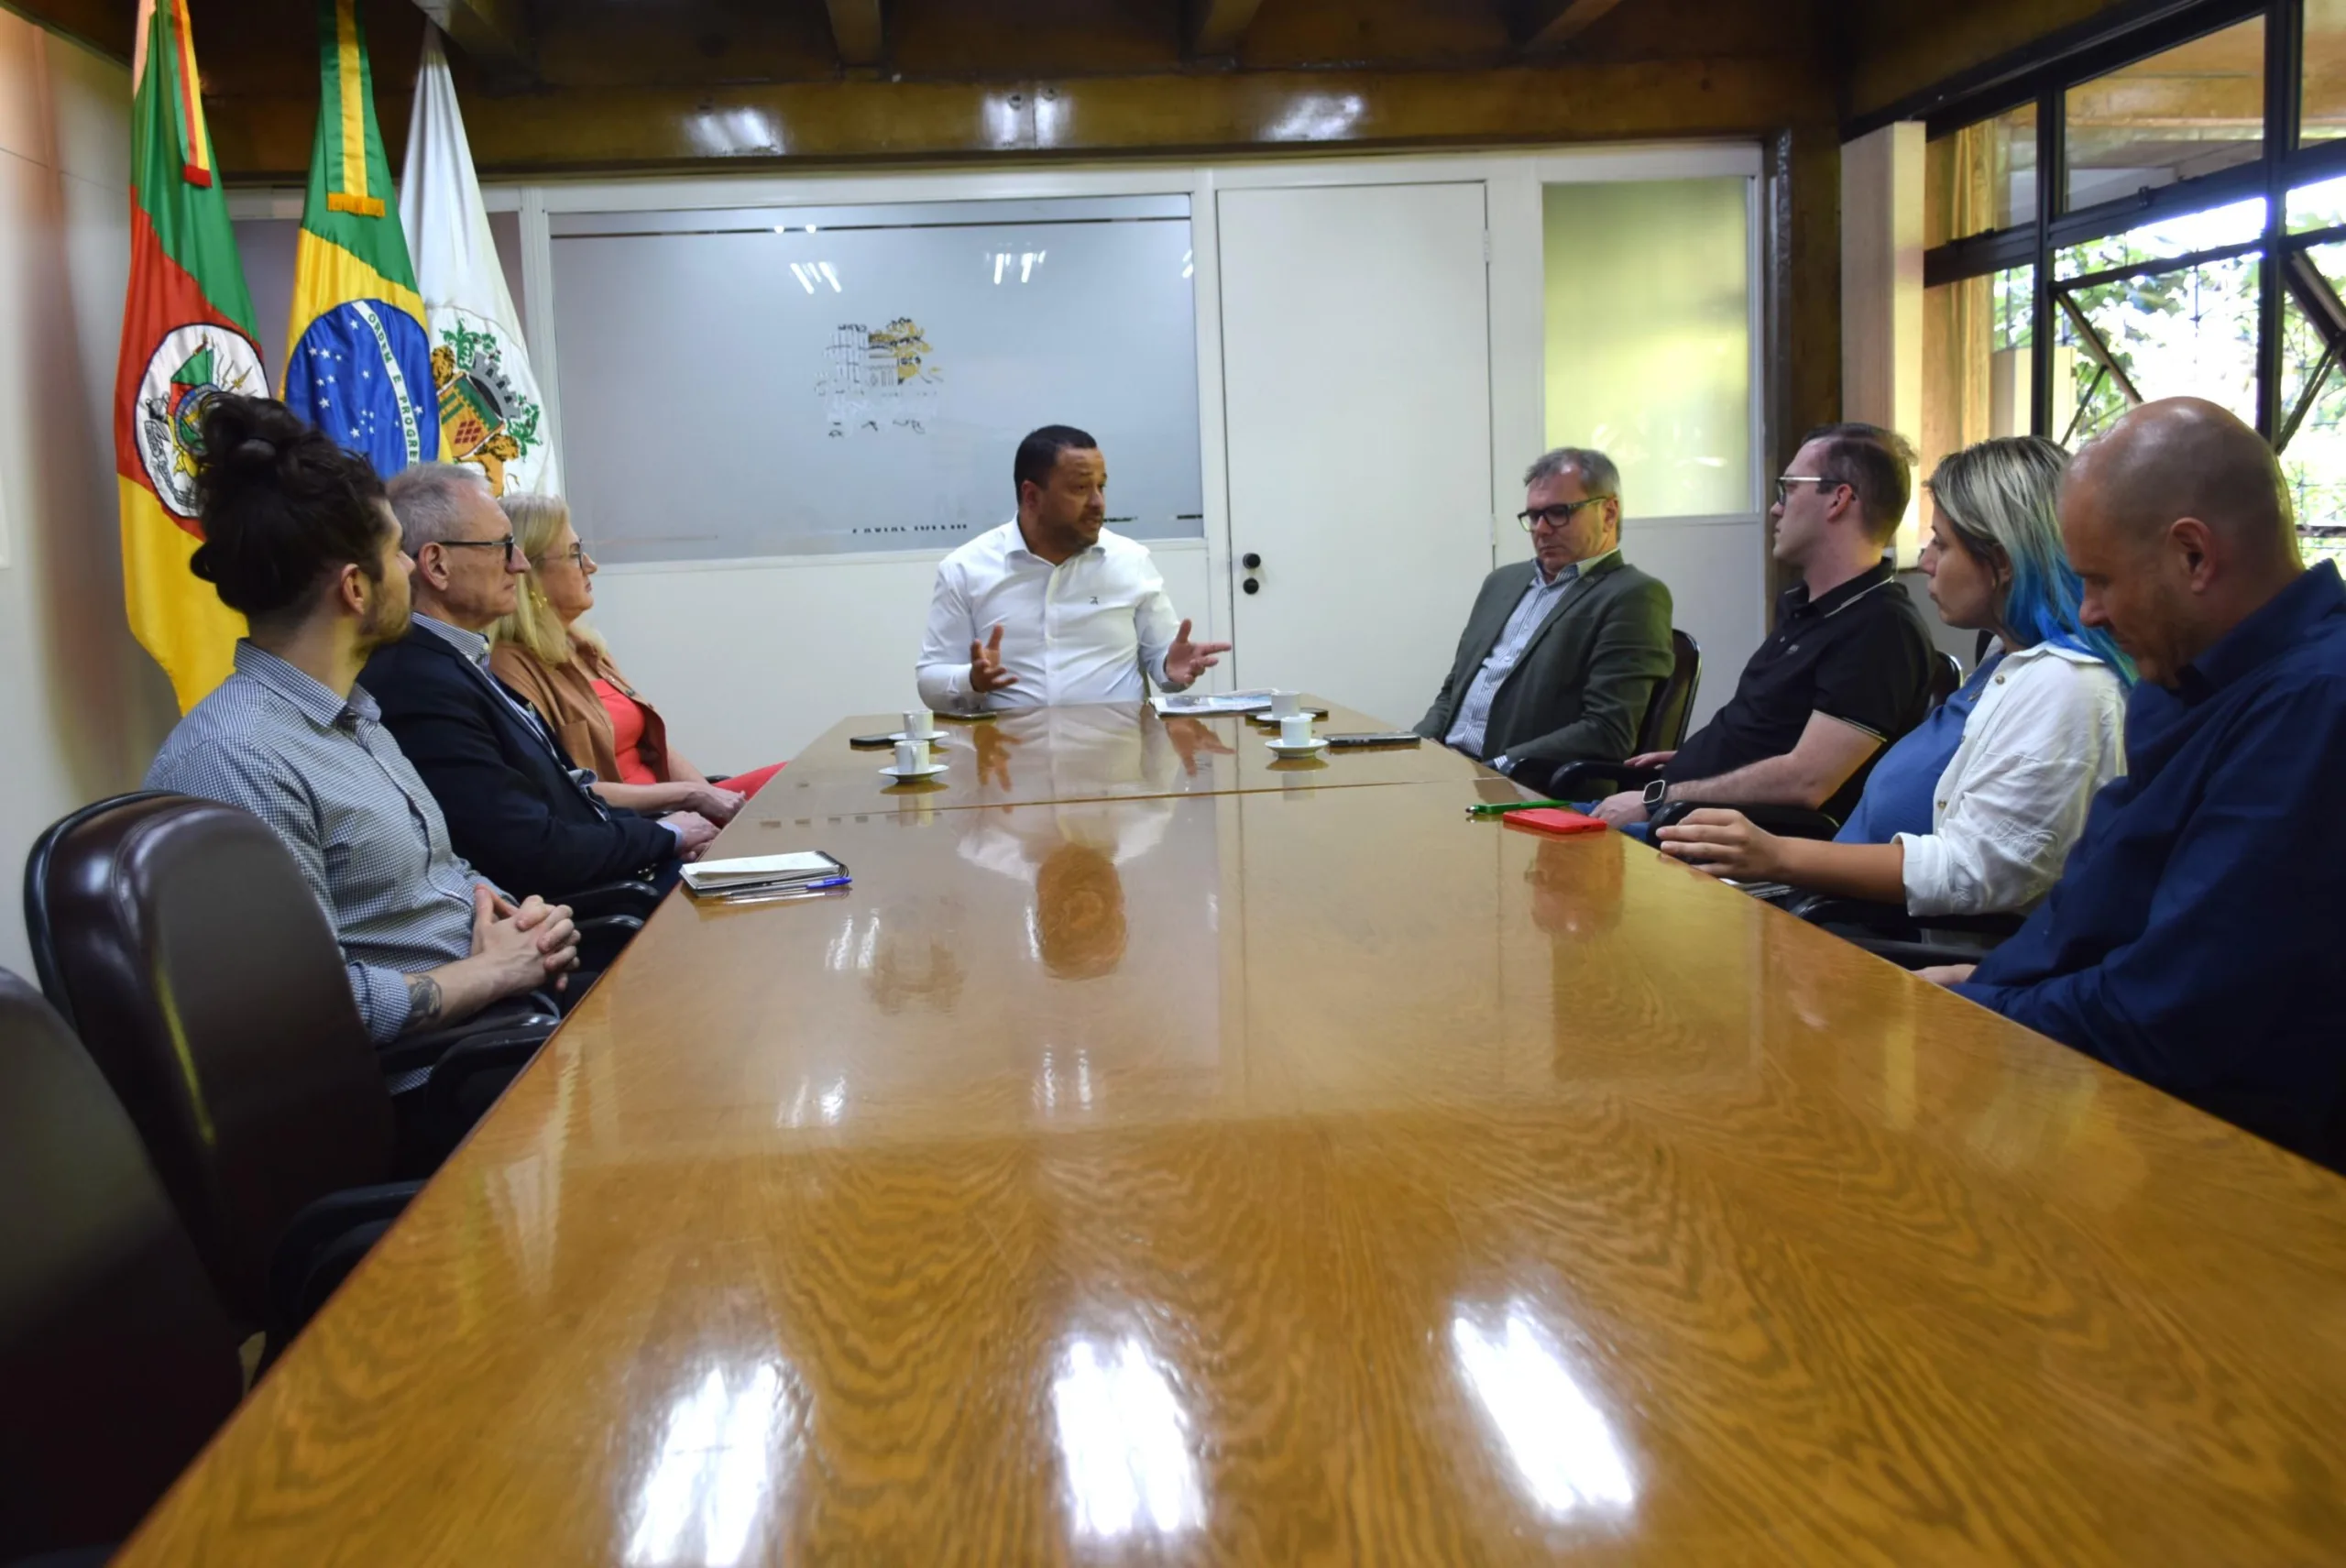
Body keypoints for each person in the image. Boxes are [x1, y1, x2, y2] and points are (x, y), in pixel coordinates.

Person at [1926, 399, 2346, 1169]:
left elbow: (2184, 1007)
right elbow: (2094, 903)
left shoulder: (2316, 703)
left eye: (2099, 580)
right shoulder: (2183, 673)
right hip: (2107, 1069)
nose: (2086, 611)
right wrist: (1993, 980)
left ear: (2194, 556)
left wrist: (1985, 1012)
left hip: (2238, 1155)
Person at [143, 395, 579, 1046]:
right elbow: (309, 1009)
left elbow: (440, 875)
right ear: (356, 587)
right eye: (399, 552)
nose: (410, 568)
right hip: (438, 1084)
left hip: (506, 1022)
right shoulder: (238, 757)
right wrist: (490, 973)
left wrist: (514, 918)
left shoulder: (357, 718)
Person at [1656, 435, 2131, 916]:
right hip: (1820, 907)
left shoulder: (2065, 688)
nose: (1924, 562)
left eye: (1940, 545)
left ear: (2001, 563)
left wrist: (1776, 856)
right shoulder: (2003, 664)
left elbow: (1973, 873)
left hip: (1867, 940)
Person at [359, 464, 712, 899]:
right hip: (593, 910)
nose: (520, 564)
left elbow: (572, 805)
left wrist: (671, 833)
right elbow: (531, 850)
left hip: (620, 873)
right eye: (503, 547)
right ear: (437, 564)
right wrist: (668, 836)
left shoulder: (461, 662)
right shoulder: (420, 682)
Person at [1584, 422, 1936, 829]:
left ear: (1838, 499)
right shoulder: (1808, 607)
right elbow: (1770, 731)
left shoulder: (1880, 629)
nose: (1775, 507)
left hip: (1713, 839)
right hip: (1683, 810)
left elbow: (1808, 782)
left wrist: (1661, 795)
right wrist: (1700, 759)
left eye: (1788, 489)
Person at [488, 492, 784, 823]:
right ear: (531, 574)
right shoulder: (511, 666)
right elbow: (566, 790)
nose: (591, 566)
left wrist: (714, 807)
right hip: (637, 832)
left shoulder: (585, 647)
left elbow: (656, 749)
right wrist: (694, 799)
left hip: (678, 815)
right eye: (575, 555)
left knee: (799, 782)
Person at [916, 424, 1230, 712]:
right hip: (1010, 758)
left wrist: (1169, 668)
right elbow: (931, 679)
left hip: (1116, 757)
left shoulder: (1129, 560)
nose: (1098, 503)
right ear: (1031, 496)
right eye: (1081, 488)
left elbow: (1165, 661)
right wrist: (972, 679)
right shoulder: (965, 569)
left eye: (1101, 487)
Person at [1414, 447, 1674, 777]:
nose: (1541, 528)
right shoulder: (1502, 582)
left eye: (1559, 512)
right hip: (1450, 772)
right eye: (1534, 516)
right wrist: (1418, 745)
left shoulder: (1633, 595)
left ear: (1609, 513)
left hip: (1525, 788)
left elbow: (1608, 731)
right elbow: (1453, 690)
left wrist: (1496, 768)